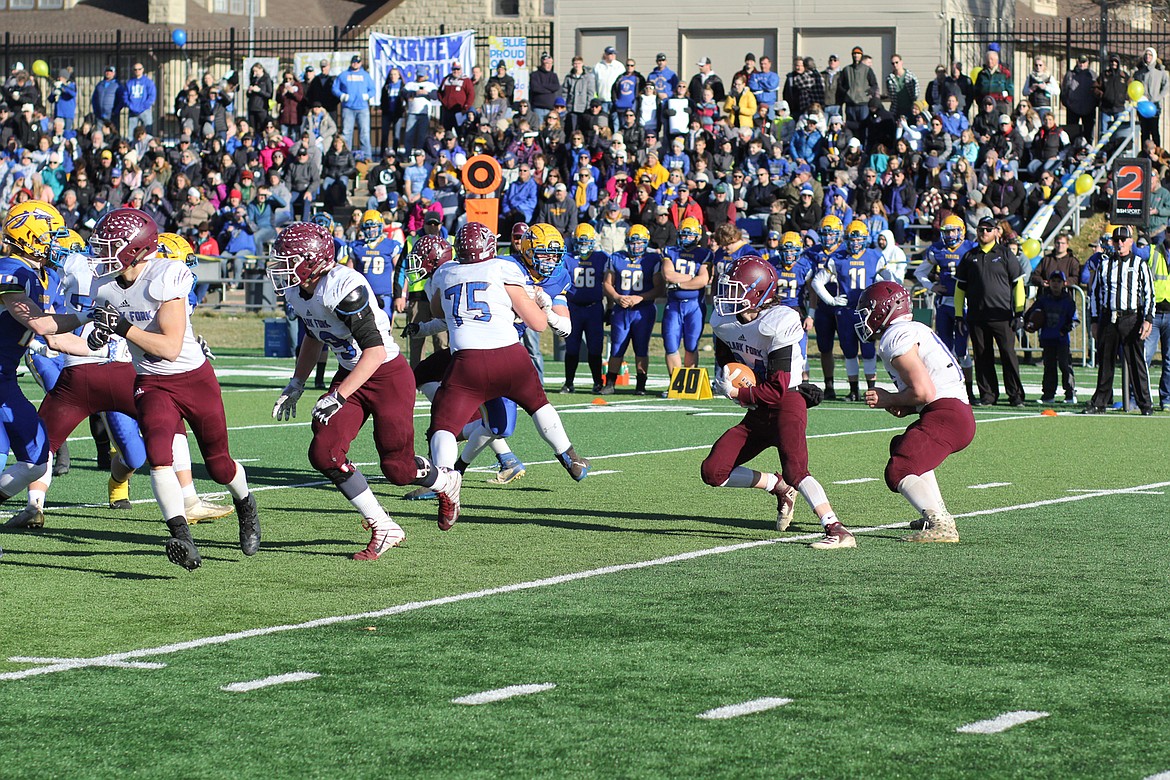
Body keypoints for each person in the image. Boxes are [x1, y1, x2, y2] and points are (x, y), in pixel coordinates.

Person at [84, 208, 260, 570]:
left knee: (219, 465)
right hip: (151, 382)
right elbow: (93, 322)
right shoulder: (103, 284)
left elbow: (169, 348)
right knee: (159, 454)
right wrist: (86, 329)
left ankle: (246, 504)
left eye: (109, 245)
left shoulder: (164, 275)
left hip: (193, 380)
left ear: (134, 249)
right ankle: (181, 536)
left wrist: (121, 328)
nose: (101, 253)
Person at [268, 222, 443, 559]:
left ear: (312, 260)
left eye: (287, 259)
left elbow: (375, 352)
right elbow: (313, 334)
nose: (280, 267)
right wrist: (297, 382)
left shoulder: (344, 288)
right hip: (352, 374)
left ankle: (443, 481)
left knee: (398, 470)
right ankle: (383, 525)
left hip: (387, 375)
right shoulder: (298, 290)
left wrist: (338, 395)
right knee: (324, 453)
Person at [426, 222, 590, 530]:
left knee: (443, 426)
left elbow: (439, 311)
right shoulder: (505, 268)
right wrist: (539, 306)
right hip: (510, 354)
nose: (549, 260)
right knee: (538, 404)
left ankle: (447, 478)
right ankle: (569, 455)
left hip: (467, 358)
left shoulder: (446, 272)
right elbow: (539, 324)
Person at [701, 256, 855, 548]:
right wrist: (732, 380)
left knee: (797, 470)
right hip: (759, 407)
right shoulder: (724, 321)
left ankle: (836, 529)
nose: (725, 297)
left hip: (786, 401)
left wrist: (738, 394)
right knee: (713, 471)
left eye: (735, 290)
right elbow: (727, 361)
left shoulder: (779, 320)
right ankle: (777, 486)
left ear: (757, 292)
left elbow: (777, 388)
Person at [856, 281, 975, 543]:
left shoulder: (895, 337)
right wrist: (904, 405)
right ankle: (935, 512)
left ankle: (941, 523)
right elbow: (924, 394)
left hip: (946, 414)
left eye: (868, 309)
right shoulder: (913, 329)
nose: (865, 316)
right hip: (951, 412)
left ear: (885, 309)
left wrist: (890, 398)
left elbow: (924, 392)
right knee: (903, 444)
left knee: (899, 468)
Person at [0, 203, 76, 512]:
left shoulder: (36, 273)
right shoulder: (10, 268)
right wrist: (87, 315)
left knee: (37, 459)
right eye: (51, 235)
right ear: (31, 236)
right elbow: (42, 324)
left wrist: (106, 350)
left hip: (5, 378)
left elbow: (54, 337)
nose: (56, 242)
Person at [811, 220, 888, 400]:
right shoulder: (838, 258)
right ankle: (854, 391)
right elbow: (817, 282)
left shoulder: (875, 256)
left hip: (867, 313)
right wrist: (831, 300)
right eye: (852, 239)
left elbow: (891, 280)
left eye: (858, 239)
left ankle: (871, 390)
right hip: (845, 312)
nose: (855, 243)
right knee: (849, 352)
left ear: (865, 239)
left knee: (869, 352)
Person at [954, 216, 1026, 407]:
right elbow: (960, 288)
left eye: (988, 229)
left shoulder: (1005, 254)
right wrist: (959, 315)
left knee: (1008, 356)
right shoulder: (969, 257)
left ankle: (1016, 395)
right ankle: (988, 395)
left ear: (996, 231)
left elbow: (1018, 283)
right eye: (981, 229)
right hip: (977, 316)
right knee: (982, 356)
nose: (984, 232)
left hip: (1002, 315)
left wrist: (1019, 312)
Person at [1086, 225, 1156, 415]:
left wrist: (1148, 319)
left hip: (1131, 318)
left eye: (1123, 239)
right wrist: (1093, 320)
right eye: (1116, 240)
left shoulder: (1140, 264)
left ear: (1131, 241)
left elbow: (1150, 294)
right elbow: (1095, 294)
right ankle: (1100, 402)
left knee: (1136, 362)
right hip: (1109, 318)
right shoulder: (1105, 264)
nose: (1120, 243)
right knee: (1105, 362)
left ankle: (1145, 404)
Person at [916, 214, 976, 402]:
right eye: (947, 231)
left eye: (953, 230)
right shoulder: (937, 250)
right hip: (943, 304)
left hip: (964, 305)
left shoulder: (970, 249)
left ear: (962, 231)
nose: (950, 235)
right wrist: (931, 286)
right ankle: (946, 390)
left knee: (962, 349)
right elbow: (919, 272)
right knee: (944, 350)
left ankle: (968, 390)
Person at [601, 224, 663, 395]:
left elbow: (660, 288)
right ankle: (610, 383)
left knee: (641, 348)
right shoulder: (616, 258)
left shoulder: (652, 259)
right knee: (617, 347)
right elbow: (607, 283)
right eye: (633, 242)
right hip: (622, 310)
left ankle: (641, 385)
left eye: (640, 243)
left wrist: (639, 297)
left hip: (643, 310)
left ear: (646, 243)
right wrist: (617, 297)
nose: (636, 246)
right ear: (627, 241)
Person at [660, 217, 711, 378]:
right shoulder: (670, 251)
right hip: (674, 304)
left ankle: (689, 383)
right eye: (683, 235)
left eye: (690, 235)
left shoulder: (704, 254)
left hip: (694, 305)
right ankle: (675, 383)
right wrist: (691, 278)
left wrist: (679, 283)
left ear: (697, 236)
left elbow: (703, 280)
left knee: (691, 344)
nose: (685, 238)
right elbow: (668, 274)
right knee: (670, 344)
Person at [562, 224, 608, 393]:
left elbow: (609, 282)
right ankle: (569, 383)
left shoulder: (601, 257)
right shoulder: (567, 258)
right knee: (572, 347)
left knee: (595, 347)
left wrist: (609, 307)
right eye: (580, 242)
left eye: (586, 242)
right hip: (573, 307)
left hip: (593, 308)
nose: (582, 246)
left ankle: (597, 382)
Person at [1024, 270, 1078, 404]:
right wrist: (1028, 323)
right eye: (1053, 281)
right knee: (1049, 367)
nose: (1055, 284)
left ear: (1064, 284)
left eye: (1059, 281)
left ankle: (1070, 393)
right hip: (1047, 338)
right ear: (1049, 282)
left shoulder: (1068, 301)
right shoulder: (1043, 299)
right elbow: (1031, 313)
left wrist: (1064, 330)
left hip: (1062, 340)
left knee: (1065, 365)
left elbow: (1074, 320)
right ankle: (1048, 394)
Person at [348, 210, 402, 313]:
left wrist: (401, 294)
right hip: (363, 294)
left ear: (380, 226)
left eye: (374, 227)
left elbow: (400, 271)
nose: (371, 230)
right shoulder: (356, 246)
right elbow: (349, 272)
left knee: (385, 326)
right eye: (368, 227)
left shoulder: (391, 245)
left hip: (384, 294)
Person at [1144, 239, 1170, 411]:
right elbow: (1136, 252)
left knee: (1169, 361)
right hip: (1153, 314)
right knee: (1144, 358)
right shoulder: (1153, 251)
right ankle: (1137, 397)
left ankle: (1166, 399)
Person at [333, 55, 376, 160]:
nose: (355, 64)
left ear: (360, 63)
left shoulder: (366, 76)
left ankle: (367, 157)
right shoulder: (343, 75)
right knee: (346, 133)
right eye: (354, 62)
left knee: (364, 133)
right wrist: (342, 96)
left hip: (363, 108)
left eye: (357, 62)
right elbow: (335, 88)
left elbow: (373, 90)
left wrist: (367, 96)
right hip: (348, 108)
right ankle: (346, 155)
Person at [1135, 47, 1169, 147]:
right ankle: (1145, 154)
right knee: (1144, 132)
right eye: (1146, 55)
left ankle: (1157, 154)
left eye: (1150, 55)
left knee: (1154, 131)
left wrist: (1157, 98)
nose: (1147, 57)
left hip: (1155, 107)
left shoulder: (1161, 72)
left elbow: (1166, 87)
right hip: (1142, 107)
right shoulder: (1139, 73)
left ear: (1154, 56)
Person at [1061, 55, 1097, 142]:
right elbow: (1064, 89)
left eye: (1084, 62)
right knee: (1072, 132)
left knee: (1089, 133)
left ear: (1087, 63)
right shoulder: (1070, 74)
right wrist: (1067, 103)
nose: (1082, 64)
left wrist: (1094, 103)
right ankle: (1071, 150)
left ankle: (1088, 151)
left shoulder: (1092, 75)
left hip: (1089, 108)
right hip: (1073, 108)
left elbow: (1096, 90)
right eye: (1080, 62)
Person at [119, 62, 157, 134]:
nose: (137, 71)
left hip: (145, 110)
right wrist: (130, 106)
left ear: (143, 70)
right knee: (131, 133)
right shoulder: (129, 83)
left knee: (148, 131)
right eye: (135, 69)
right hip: (132, 111)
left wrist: (143, 106)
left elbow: (152, 96)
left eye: (139, 69)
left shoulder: (148, 82)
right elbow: (125, 96)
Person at [438, 60, 474, 131]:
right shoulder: (446, 79)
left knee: (460, 131)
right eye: (454, 69)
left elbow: (471, 94)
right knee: (446, 132)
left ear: (461, 69)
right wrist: (443, 102)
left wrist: (466, 107)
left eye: (458, 69)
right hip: (447, 112)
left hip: (459, 111)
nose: (456, 71)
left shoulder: (466, 80)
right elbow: (439, 92)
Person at [91, 65, 120, 132]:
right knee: (98, 133)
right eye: (107, 71)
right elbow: (94, 99)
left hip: (112, 116)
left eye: (110, 71)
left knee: (113, 133)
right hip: (100, 115)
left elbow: (121, 100)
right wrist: (96, 111)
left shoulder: (117, 85)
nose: (108, 73)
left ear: (114, 73)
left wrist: (115, 111)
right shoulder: (100, 84)